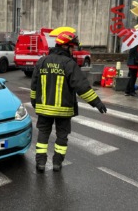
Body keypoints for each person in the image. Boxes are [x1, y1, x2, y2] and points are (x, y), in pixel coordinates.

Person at [30, 31, 107, 173]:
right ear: (65, 46)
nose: (73, 51)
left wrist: (34, 101)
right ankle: (57, 163)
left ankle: (40, 163)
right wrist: (97, 102)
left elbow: (34, 85)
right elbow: (82, 87)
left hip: (44, 109)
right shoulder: (69, 64)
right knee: (62, 136)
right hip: (63, 110)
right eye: (72, 48)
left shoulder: (42, 61)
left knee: (43, 135)